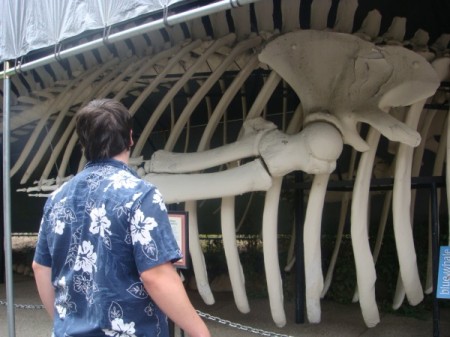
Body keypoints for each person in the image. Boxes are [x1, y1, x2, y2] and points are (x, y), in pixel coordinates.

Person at [32, 99, 210, 337]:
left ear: (83, 143)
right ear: (130, 138)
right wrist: (200, 332)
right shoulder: (141, 195)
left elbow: (40, 267)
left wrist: (65, 322)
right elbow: (155, 275)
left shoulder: (56, 198)